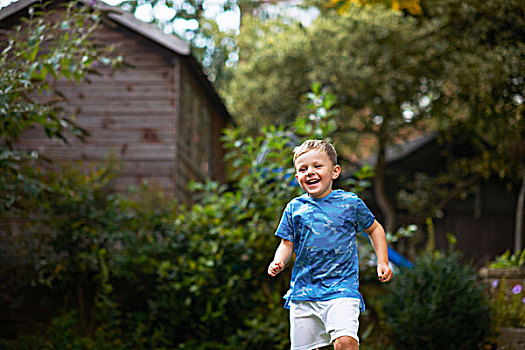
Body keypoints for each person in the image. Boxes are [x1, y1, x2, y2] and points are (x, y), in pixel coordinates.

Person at [267, 139, 393, 350]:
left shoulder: (350, 203)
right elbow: (286, 243)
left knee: (345, 342)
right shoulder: (294, 208)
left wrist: (383, 261)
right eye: (303, 169)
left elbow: (375, 229)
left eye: (317, 166)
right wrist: (278, 261)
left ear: (335, 171)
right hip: (304, 292)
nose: (310, 172)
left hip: (341, 289)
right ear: (297, 177)